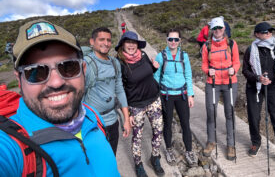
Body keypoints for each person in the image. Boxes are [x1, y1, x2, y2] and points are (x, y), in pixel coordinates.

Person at [0, 19, 119, 176]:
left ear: (83, 69)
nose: (56, 83)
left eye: (68, 67)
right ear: (19, 80)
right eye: (35, 72)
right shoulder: (11, 147)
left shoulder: (92, 115)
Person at [242, 22, 275, 172]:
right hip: (255, 87)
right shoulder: (250, 49)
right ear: (257, 34)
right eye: (265, 32)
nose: (269, 34)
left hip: (274, 87)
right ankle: (256, 142)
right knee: (253, 116)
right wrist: (258, 78)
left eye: (270, 32)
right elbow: (245, 70)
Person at [116, 31, 164, 177]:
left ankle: (155, 158)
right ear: (122, 44)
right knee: (137, 136)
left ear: (137, 44)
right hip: (136, 106)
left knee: (158, 131)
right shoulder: (120, 63)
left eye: (134, 42)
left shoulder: (143, 56)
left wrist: (154, 67)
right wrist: (127, 114)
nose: (131, 45)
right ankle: (138, 164)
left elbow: (148, 72)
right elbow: (120, 90)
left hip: (154, 100)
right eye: (128, 42)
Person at [82, 27, 131, 155]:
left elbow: (120, 90)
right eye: (101, 39)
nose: (106, 43)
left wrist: (126, 119)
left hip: (113, 121)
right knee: (95, 160)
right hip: (93, 124)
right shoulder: (85, 65)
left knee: (111, 156)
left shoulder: (115, 63)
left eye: (109, 40)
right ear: (92, 42)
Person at [154, 29, 197, 167]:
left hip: (182, 95)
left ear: (180, 41)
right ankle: (168, 149)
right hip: (166, 96)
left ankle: (189, 151)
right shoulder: (160, 56)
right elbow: (156, 77)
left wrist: (190, 94)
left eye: (176, 39)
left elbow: (188, 76)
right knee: (167, 124)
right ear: (167, 40)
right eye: (170, 39)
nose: (173, 42)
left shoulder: (184, 56)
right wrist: (156, 96)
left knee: (185, 124)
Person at [201, 16, 240, 160]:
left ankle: (231, 144)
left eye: (219, 28)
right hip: (212, 83)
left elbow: (236, 62)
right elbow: (204, 64)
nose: (217, 30)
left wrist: (233, 70)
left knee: (229, 113)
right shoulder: (207, 46)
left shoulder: (232, 43)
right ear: (212, 30)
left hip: (230, 82)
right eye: (214, 28)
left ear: (224, 28)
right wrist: (207, 71)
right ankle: (211, 141)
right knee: (211, 112)